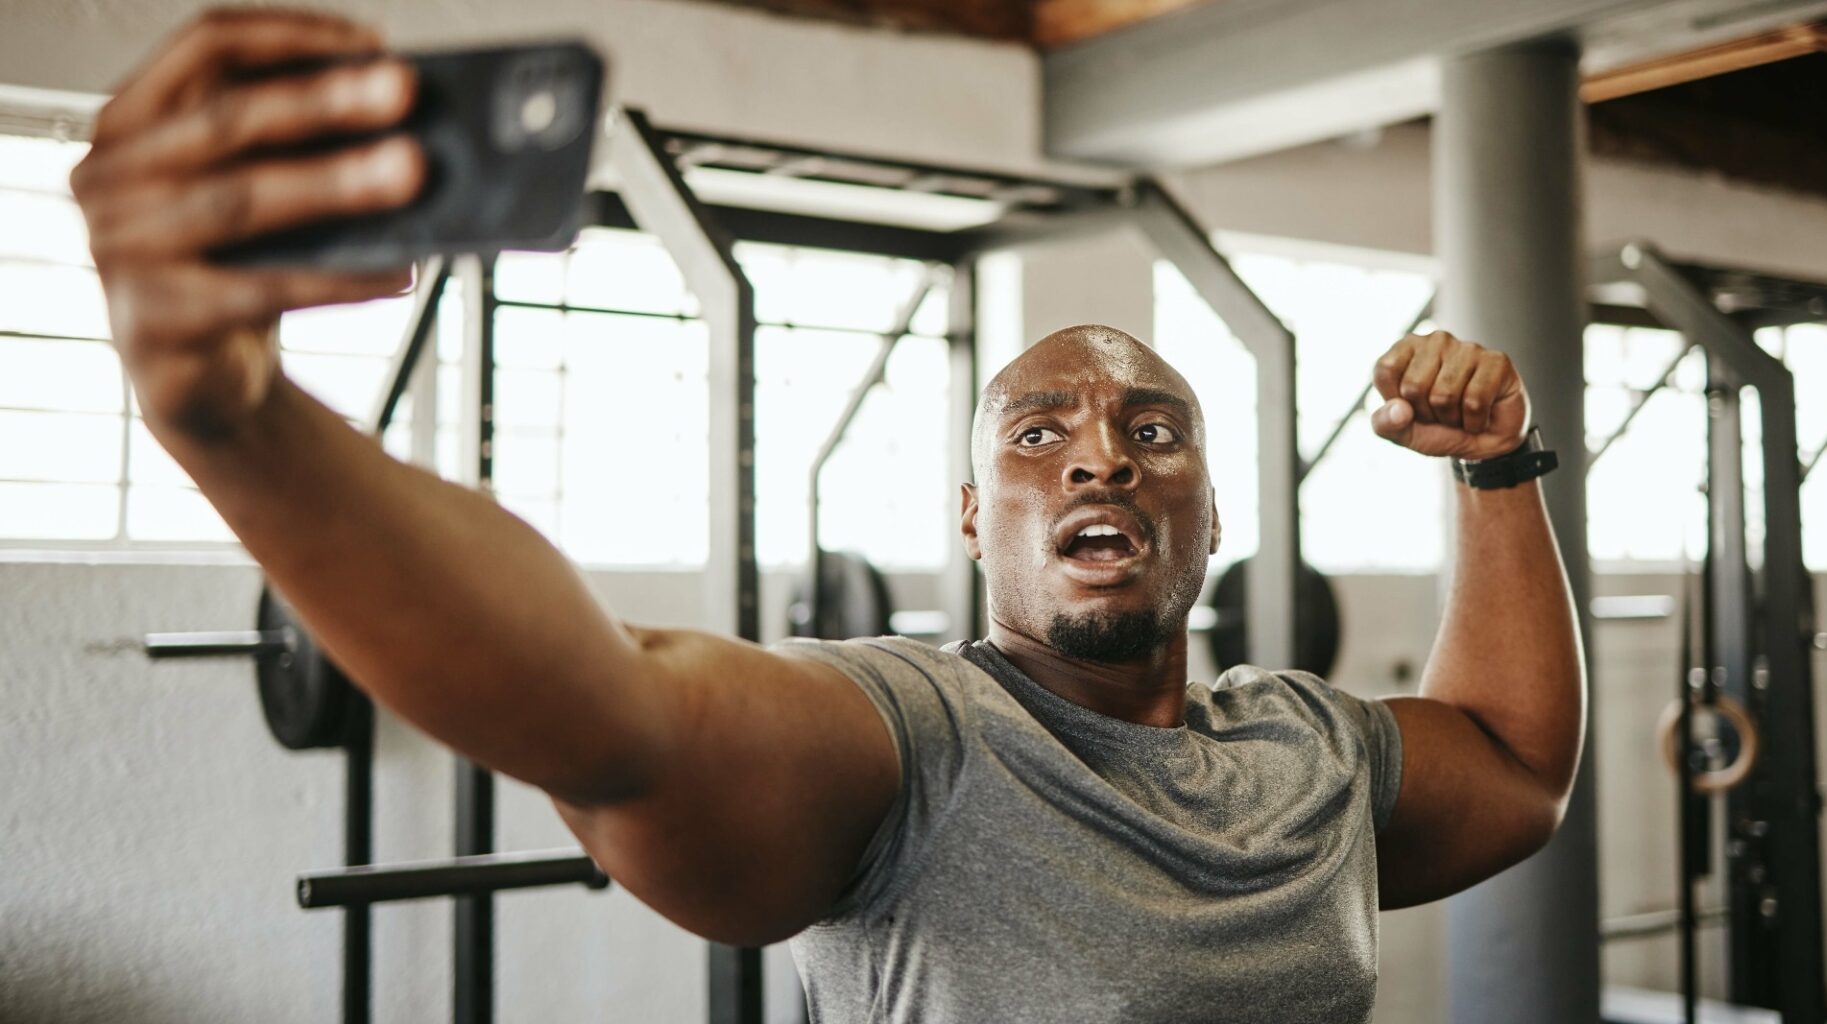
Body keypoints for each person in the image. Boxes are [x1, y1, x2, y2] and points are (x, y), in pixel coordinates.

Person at [70, 9, 1585, 1022]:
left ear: (1211, 509)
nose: (1099, 459)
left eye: (1152, 433)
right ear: (975, 519)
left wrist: (1499, 467)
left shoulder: (1303, 752)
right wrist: (239, 423)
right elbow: (615, 715)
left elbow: (1519, 770)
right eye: (1038, 436)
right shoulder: (915, 741)